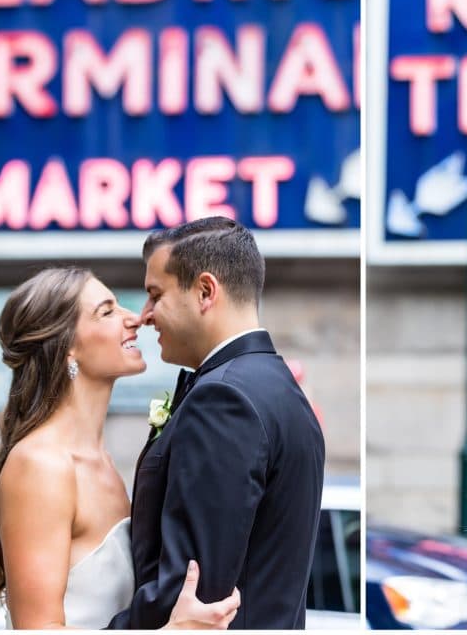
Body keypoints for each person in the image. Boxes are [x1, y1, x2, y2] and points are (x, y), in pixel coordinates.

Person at [0, 267, 240, 629]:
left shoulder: (102, 461)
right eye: (107, 311)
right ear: (67, 347)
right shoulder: (41, 465)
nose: (136, 318)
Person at [106, 217, 326, 630]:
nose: (145, 315)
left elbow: (191, 591)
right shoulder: (281, 389)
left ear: (205, 291)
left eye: (155, 295)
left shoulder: (223, 400)